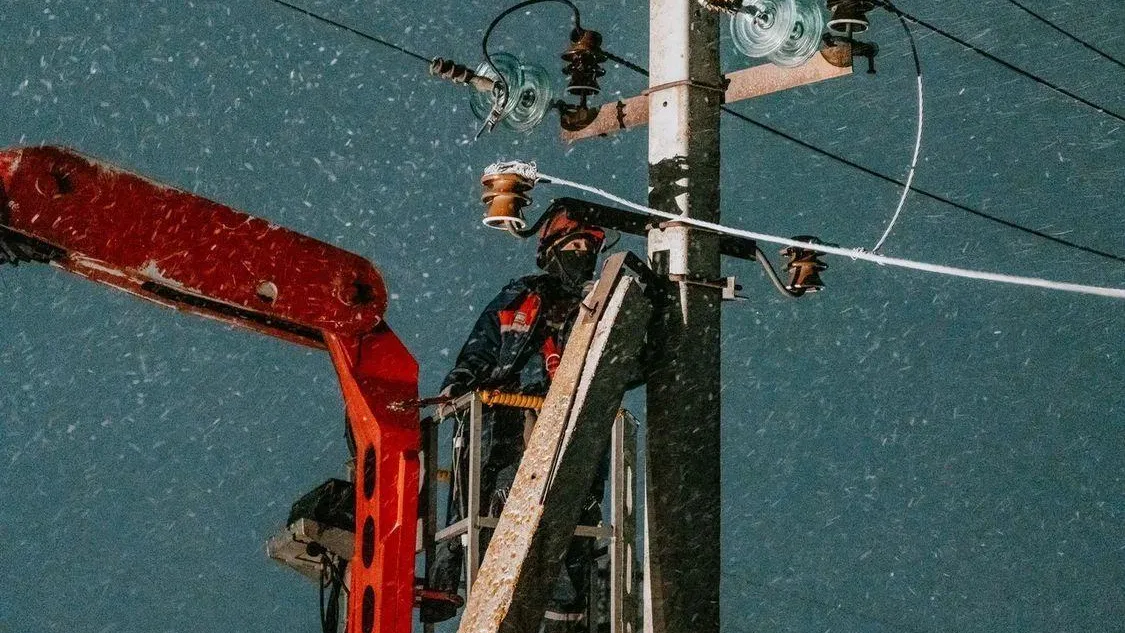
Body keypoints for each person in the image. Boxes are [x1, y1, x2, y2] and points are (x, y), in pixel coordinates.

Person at [421, 206, 608, 630]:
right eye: (574, 245)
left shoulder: (601, 305)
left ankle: (556, 613)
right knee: (493, 498)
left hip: (565, 429)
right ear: (552, 251)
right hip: (505, 423)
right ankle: (458, 579)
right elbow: (482, 348)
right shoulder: (519, 298)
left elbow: (624, 364)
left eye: (588, 247)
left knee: (561, 518)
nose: (582, 254)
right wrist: (459, 384)